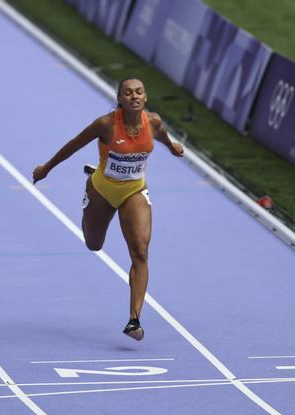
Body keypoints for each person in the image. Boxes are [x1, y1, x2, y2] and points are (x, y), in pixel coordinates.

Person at [33, 78, 184, 341]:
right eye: (128, 93)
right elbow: (74, 144)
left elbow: (161, 136)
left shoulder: (154, 122)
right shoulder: (106, 124)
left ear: (145, 97)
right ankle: (90, 181)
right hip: (102, 190)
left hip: (134, 190)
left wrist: (173, 148)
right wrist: (46, 168)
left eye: (139, 92)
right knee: (93, 244)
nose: (134, 96)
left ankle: (134, 319)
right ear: (120, 99)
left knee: (140, 250)